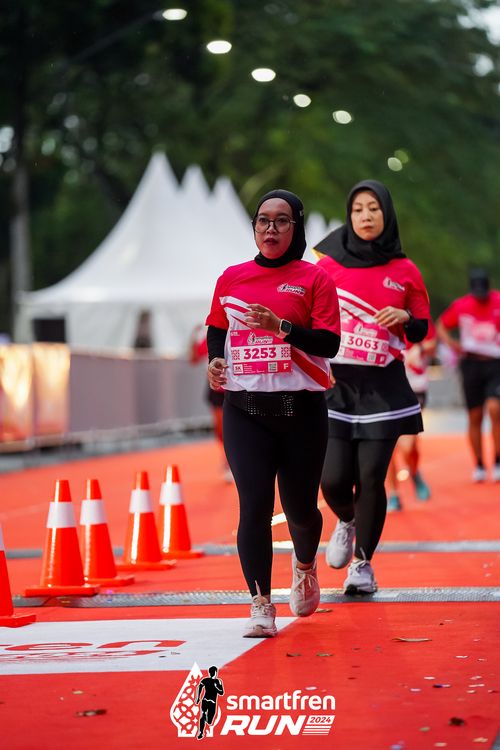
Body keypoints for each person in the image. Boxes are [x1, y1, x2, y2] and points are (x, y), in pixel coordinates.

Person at [206, 189, 340, 637]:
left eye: (282, 220)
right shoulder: (232, 278)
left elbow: (329, 344)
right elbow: (216, 329)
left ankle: (304, 565)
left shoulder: (315, 278)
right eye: (263, 220)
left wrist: (279, 327)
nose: (271, 228)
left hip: (301, 412)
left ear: (296, 227)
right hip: (244, 411)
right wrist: (216, 360)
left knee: (300, 509)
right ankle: (260, 603)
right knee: (254, 506)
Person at [314, 179, 430, 594]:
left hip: (384, 387)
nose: (366, 216)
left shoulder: (405, 270)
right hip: (336, 386)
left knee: (370, 475)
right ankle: (346, 520)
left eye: (374, 209)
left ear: (387, 215)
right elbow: (310, 318)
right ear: (349, 216)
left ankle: (363, 565)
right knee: (332, 479)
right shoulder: (326, 266)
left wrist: (405, 317)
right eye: (358, 209)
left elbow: (421, 328)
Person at [436, 269, 500, 483]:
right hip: (471, 363)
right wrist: (452, 344)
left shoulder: (498, 302)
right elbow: (441, 325)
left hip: (495, 362)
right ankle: (479, 464)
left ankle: (498, 460)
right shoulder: (462, 305)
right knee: (475, 415)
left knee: (495, 409)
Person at [386, 321, 437, 511]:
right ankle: (393, 494)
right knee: (387, 444)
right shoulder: (380, 317)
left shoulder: (419, 318)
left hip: (414, 389)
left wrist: (419, 348)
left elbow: (433, 344)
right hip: (387, 390)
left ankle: (414, 473)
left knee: (407, 446)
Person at [189, 324, 232, 482]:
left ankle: (232, 461)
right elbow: (194, 359)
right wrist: (193, 337)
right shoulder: (214, 335)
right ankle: (227, 459)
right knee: (220, 429)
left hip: (239, 387)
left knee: (234, 426)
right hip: (217, 388)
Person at [195, 665, 224, 740]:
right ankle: (201, 732)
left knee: (209, 721)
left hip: (209, 702)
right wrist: (198, 697)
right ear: (214, 672)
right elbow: (200, 687)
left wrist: (198, 697)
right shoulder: (208, 680)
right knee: (204, 716)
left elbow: (221, 692)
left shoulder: (217, 681)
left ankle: (204, 720)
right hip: (208, 701)